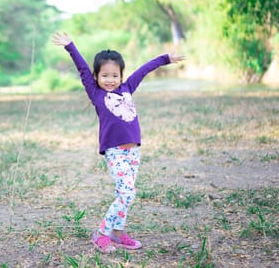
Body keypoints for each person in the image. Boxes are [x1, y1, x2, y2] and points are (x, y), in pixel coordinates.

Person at [51, 31, 185, 254]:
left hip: (133, 152)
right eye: (105, 76)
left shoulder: (127, 88)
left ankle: (118, 233)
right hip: (115, 152)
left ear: (121, 76)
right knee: (127, 193)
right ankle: (102, 234)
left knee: (126, 194)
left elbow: (143, 69)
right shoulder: (96, 93)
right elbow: (83, 68)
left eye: (114, 75)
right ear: (97, 77)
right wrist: (70, 46)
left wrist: (165, 59)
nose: (110, 80)